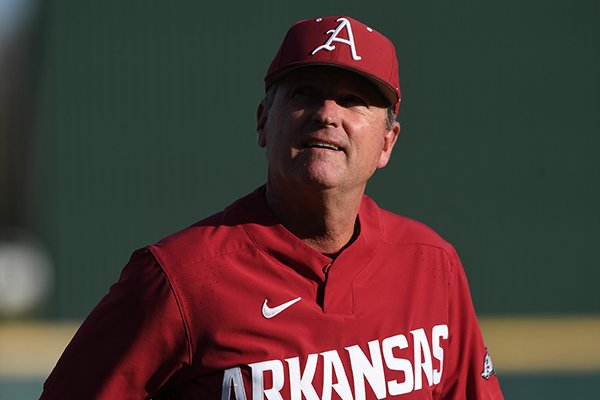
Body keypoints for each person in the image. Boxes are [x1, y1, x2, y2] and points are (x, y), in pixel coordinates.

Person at [40, 15, 503, 399]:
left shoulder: (431, 265)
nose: (327, 114)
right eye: (304, 93)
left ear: (387, 143)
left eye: (353, 100)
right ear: (264, 122)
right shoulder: (180, 278)